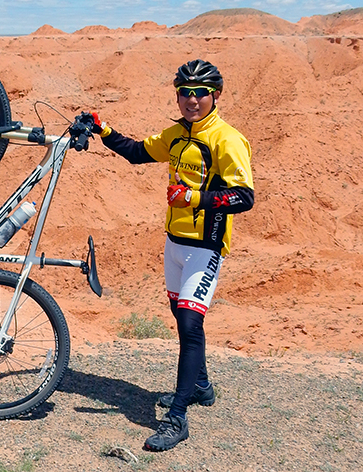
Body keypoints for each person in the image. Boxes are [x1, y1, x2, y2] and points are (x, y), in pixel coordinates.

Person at [90, 59, 255, 451]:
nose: (191, 100)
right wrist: (104, 130)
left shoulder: (227, 139)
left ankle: (177, 417)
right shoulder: (178, 134)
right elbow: (136, 152)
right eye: (184, 92)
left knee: (188, 324)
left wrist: (194, 196)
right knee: (180, 318)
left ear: (216, 95)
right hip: (174, 242)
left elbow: (244, 197)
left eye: (200, 92)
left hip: (206, 246)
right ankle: (201, 386)